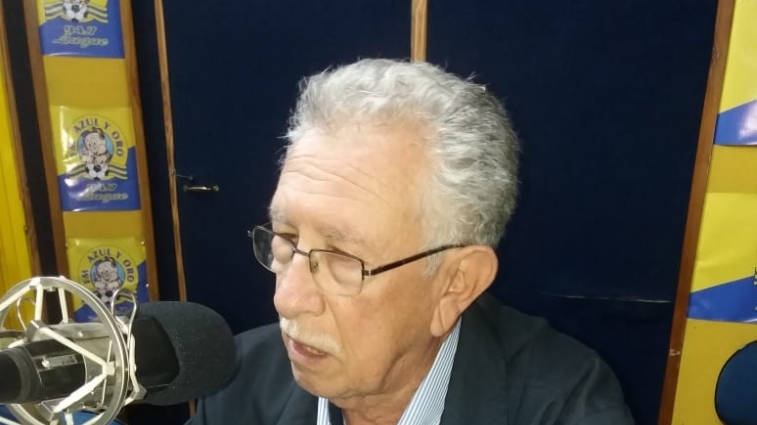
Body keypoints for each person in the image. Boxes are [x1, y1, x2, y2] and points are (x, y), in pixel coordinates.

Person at [187, 58, 634, 425]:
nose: (287, 299)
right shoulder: (238, 378)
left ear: (455, 283)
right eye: (286, 238)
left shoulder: (564, 407)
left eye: (342, 257)